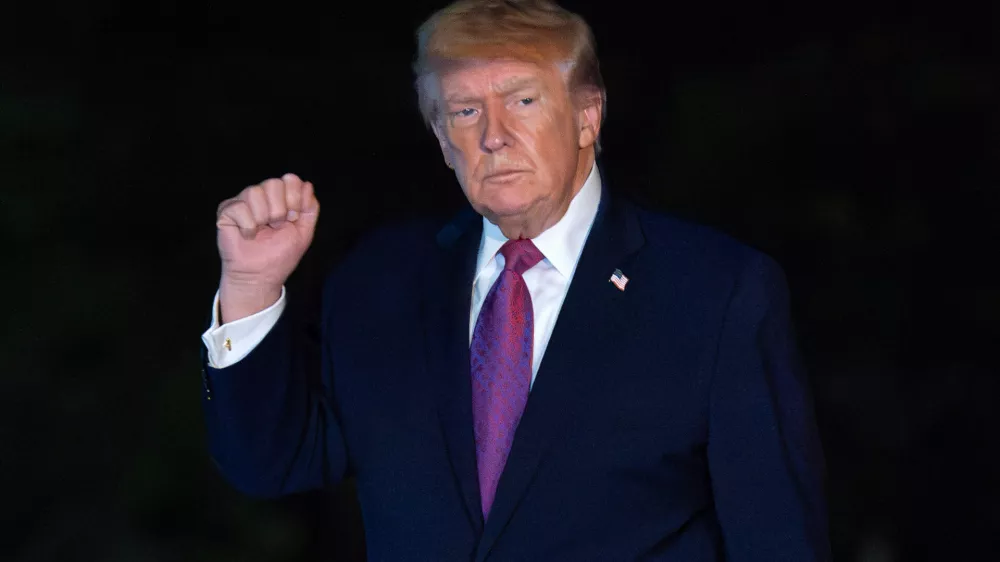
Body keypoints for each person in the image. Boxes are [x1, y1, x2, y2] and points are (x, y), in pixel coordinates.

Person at [199, 0, 830, 560]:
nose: (494, 136)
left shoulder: (717, 293)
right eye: (466, 111)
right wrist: (250, 287)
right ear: (443, 141)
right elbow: (270, 463)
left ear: (588, 115)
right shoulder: (379, 284)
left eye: (523, 100)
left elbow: (775, 538)